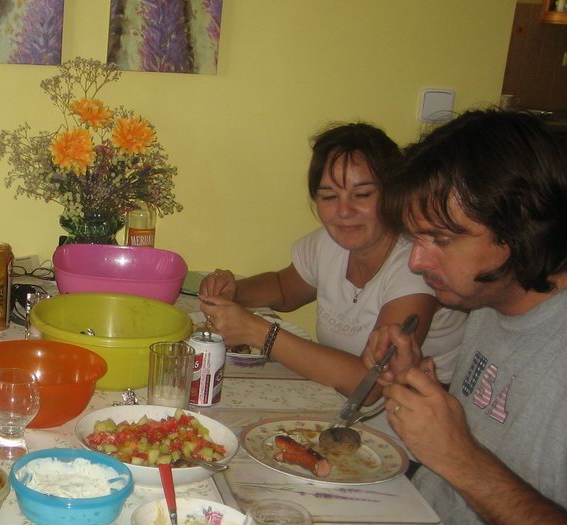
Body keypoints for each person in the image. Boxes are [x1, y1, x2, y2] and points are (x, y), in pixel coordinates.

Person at [365, 108, 567, 525]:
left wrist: (461, 459)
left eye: (440, 239)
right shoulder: (492, 302)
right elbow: (505, 418)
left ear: (522, 229)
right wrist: (423, 383)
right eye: (416, 237)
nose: (416, 260)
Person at [199, 122, 466, 395]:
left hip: (410, 409)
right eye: (329, 196)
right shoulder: (330, 242)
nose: (344, 211)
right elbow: (284, 288)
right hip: (339, 400)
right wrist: (235, 292)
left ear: (393, 194)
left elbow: (370, 383)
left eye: (361, 195)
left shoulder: (417, 264)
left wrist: (257, 332)